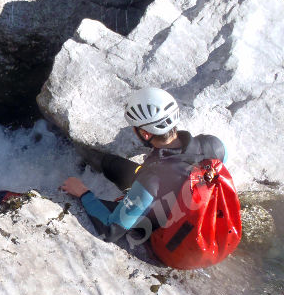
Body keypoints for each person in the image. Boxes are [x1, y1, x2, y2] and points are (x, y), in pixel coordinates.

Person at [60, 87, 227, 245]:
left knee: (102, 205)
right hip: (200, 217)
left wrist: (83, 192)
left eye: (135, 128)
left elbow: (111, 230)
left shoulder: (151, 179)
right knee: (115, 165)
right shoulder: (212, 145)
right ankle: (94, 160)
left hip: (167, 233)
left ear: (145, 134)